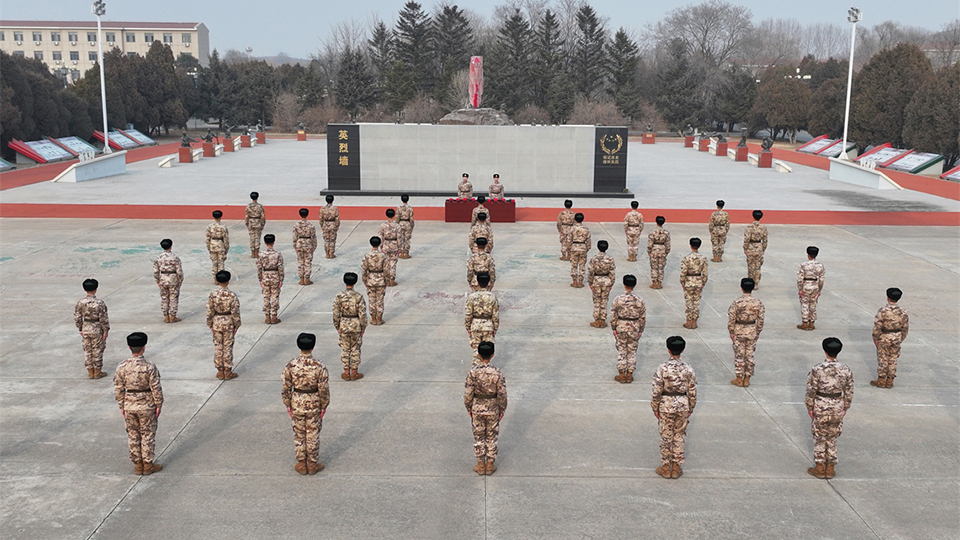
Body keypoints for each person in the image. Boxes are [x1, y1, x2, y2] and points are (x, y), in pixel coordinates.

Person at [114, 332, 163, 475]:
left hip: (129, 404)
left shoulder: (122, 366)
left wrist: (121, 405)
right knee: (147, 434)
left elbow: (118, 388)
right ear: (144, 347)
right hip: (147, 404)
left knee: (133, 435)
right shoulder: (149, 366)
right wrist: (158, 404)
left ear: (129, 347)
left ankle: (137, 465)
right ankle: (147, 465)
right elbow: (156, 387)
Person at [281, 332, 331, 475]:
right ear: (313, 347)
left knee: (299, 434)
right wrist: (324, 405)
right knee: (313, 434)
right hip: (314, 401)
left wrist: (287, 403)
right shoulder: (319, 365)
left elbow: (285, 386)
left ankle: (302, 464)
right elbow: (323, 388)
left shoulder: (291, 365)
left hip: (297, 400)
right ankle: (313, 464)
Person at [805, 337, 854, 479]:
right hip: (837, 404)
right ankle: (830, 468)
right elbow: (849, 391)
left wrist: (810, 406)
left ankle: (820, 467)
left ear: (825, 350)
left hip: (821, 403)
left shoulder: (817, 369)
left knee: (820, 436)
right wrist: (845, 407)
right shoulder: (845, 370)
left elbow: (811, 390)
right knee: (832, 437)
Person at [651, 336, 697, 480]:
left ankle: (665, 467)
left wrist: (655, 407)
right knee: (679, 435)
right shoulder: (688, 368)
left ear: (668, 350)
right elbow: (693, 390)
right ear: (682, 350)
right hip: (683, 403)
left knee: (666, 435)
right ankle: (676, 467)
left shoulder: (662, 368)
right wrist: (691, 407)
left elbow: (656, 390)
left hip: (666, 404)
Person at [464, 341, 508, 476]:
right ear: (493, 355)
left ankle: (480, 465)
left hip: (477, 406)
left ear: (478, 354)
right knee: (491, 437)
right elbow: (502, 394)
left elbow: (468, 394)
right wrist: (502, 409)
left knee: (478, 436)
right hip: (493, 407)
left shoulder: (473, 372)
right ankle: (490, 465)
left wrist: (469, 408)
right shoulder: (497, 373)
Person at [728, 277, 764, 387]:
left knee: (739, 355)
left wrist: (731, 332)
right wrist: (758, 331)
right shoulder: (758, 303)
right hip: (752, 329)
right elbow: (761, 319)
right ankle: (747, 378)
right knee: (750, 355)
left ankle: (739, 378)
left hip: (739, 329)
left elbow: (731, 318)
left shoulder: (737, 302)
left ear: (741, 288)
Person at [610, 274, 646, 383]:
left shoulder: (618, 299)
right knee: (632, 351)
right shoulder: (639, 300)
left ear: (624, 285)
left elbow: (613, 315)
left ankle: (621, 374)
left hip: (621, 325)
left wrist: (614, 328)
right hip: (634, 326)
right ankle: (629, 374)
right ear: (634, 285)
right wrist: (640, 330)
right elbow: (642, 317)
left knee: (622, 350)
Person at [871, 288, 909, 389]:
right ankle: (890, 380)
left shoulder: (883, 311)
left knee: (883, 358)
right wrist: (901, 338)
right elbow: (905, 327)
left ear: (888, 298)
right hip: (896, 336)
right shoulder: (903, 312)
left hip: (884, 336)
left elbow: (877, 326)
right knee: (893, 358)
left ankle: (881, 380)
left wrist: (875, 338)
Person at [206, 270, 241, 380]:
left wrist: (210, 324)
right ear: (228, 281)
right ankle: (228, 371)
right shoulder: (232, 295)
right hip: (228, 321)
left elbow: (209, 310)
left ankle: (220, 371)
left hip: (217, 321)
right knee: (228, 347)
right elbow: (235, 311)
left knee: (218, 346)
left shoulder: (213, 295)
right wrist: (237, 324)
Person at [333, 272, 368, 381]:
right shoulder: (358, 296)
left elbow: (335, 313)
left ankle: (346, 372)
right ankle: (354, 372)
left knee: (345, 349)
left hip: (344, 323)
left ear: (344, 282)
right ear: (355, 282)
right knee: (355, 349)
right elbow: (362, 313)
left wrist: (337, 326)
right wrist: (363, 327)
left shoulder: (339, 296)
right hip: (355, 324)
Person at [74, 278, 109, 379]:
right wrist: (105, 330)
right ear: (96, 289)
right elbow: (103, 318)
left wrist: (80, 328)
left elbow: (77, 317)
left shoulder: (80, 302)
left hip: (86, 327)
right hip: (97, 327)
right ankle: (97, 371)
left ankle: (90, 371)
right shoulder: (99, 303)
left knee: (87, 350)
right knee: (97, 350)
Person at [465, 273, 499, 365]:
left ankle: (476, 371)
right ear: (488, 283)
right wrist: (495, 328)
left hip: (475, 324)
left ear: (478, 283)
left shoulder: (472, 297)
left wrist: (468, 327)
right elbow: (495, 315)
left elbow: (468, 314)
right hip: (488, 324)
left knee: (476, 349)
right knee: (487, 351)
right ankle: (486, 371)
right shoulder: (492, 297)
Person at [679, 237, 709, 329]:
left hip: (689, 280)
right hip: (698, 280)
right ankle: (694, 322)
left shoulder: (687, 258)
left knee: (689, 302)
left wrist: (682, 282)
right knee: (696, 302)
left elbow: (683, 271)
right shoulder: (703, 258)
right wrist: (703, 282)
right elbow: (705, 273)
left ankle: (688, 321)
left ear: (690, 246)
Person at [587, 240, 616, 328]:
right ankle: (603, 320)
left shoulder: (594, 259)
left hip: (596, 280)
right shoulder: (610, 259)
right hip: (606, 280)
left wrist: (590, 282)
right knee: (604, 300)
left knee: (596, 301)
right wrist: (611, 283)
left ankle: (596, 320)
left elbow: (591, 271)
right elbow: (612, 272)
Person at [153, 239, 183, 323]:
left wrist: (157, 280)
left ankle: (166, 316)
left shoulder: (158, 258)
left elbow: (155, 271)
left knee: (164, 297)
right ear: (171, 246)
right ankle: (173, 316)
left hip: (163, 278)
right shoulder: (175, 257)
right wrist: (180, 280)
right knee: (173, 297)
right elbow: (179, 271)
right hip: (173, 278)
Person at [257, 234, 284, 324]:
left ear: (265, 242)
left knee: (266, 297)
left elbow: (259, 267)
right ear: (273, 242)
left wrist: (260, 279)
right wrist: (281, 279)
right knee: (275, 296)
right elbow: (280, 267)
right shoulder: (277, 254)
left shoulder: (261, 254)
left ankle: (267, 316)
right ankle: (274, 316)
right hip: (275, 275)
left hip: (265, 275)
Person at [797, 246, 825, 330]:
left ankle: (805, 323)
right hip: (815, 286)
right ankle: (812, 323)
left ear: (808, 255)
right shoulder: (820, 266)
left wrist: (800, 289)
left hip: (806, 285)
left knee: (805, 304)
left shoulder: (803, 265)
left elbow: (800, 278)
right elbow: (822, 279)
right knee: (813, 304)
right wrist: (819, 289)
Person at [361, 236, 388, 325]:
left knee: (371, 299)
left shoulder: (367, 256)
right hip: (380, 279)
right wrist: (386, 280)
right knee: (380, 300)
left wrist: (365, 280)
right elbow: (386, 270)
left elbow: (364, 269)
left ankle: (373, 319)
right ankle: (379, 319)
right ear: (380, 244)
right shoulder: (383, 256)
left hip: (371, 279)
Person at [743, 210, 768, 289]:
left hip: (751, 246)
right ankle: (756, 283)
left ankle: (750, 282)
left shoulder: (749, 227)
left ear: (753, 216)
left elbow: (747, 238)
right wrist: (763, 248)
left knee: (750, 266)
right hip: (759, 246)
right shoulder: (763, 227)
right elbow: (765, 240)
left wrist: (745, 248)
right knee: (757, 267)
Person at [293, 208, 317, 286]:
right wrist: (314, 245)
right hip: (308, 243)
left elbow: (294, 236)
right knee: (307, 262)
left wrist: (295, 245)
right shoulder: (311, 225)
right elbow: (313, 236)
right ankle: (307, 279)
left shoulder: (296, 225)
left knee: (300, 262)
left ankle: (301, 279)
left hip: (299, 243)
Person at [568, 213, 592, 288]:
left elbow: (569, 240)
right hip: (583, 247)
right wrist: (587, 248)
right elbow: (588, 240)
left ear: (575, 219)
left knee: (574, 265)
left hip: (574, 247)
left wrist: (569, 249)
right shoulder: (585, 229)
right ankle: (580, 282)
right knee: (582, 265)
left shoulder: (572, 229)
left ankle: (574, 282)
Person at [378, 209, 401, 286]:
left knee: (386, 263)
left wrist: (381, 245)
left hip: (386, 244)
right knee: (393, 263)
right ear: (394, 215)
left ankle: (386, 279)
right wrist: (399, 247)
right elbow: (399, 237)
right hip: (394, 244)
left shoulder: (383, 225)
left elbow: (380, 236)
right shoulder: (397, 226)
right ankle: (392, 279)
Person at [647, 216, 671, 289]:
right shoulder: (666, 233)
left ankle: (654, 282)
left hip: (654, 250)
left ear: (656, 222)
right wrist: (667, 251)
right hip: (662, 250)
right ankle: (660, 283)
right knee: (661, 267)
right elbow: (668, 243)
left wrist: (649, 251)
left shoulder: (653, 232)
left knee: (654, 267)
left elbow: (650, 243)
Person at [205, 210, 229, 282]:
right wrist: (226, 247)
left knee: (214, 263)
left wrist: (208, 247)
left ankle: (215, 279)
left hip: (212, 244)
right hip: (220, 244)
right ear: (221, 217)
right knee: (221, 263)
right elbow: (225, 238)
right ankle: (221, 279)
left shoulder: (210, 226)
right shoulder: (223, 227)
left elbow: (207, 238)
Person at [318, 195, 341, 259]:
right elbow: (337, 218)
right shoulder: (334, 209)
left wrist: (322, 225)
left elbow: (320, 218)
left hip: (325, 224)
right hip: (332, 224)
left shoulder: (322, 209)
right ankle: (331, 253)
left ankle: (327, 253)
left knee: (326, 240)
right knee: (332, 240)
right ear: (332, 200)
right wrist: (337, 225)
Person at [245, 192, 265, 258]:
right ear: (257, 197)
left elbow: (247, 216)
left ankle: (252, 253)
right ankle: (257, 253)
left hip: (251, 222)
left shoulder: (248, 206)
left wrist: (247, 224)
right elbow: (262, 216)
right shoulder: (260, 206)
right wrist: (262, 224)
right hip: (258, 222)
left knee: (252, 238)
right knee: (257, 238)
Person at [397, 194, 415, 259]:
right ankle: (406, 253)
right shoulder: (410, 208)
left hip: (401, 223)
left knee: (401, 238)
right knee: (407, 239)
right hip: (407, 223)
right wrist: (412, 225)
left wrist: (396, 224)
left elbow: (397, 217)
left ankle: (401, 252)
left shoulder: (399, 207)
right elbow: (411, 218)